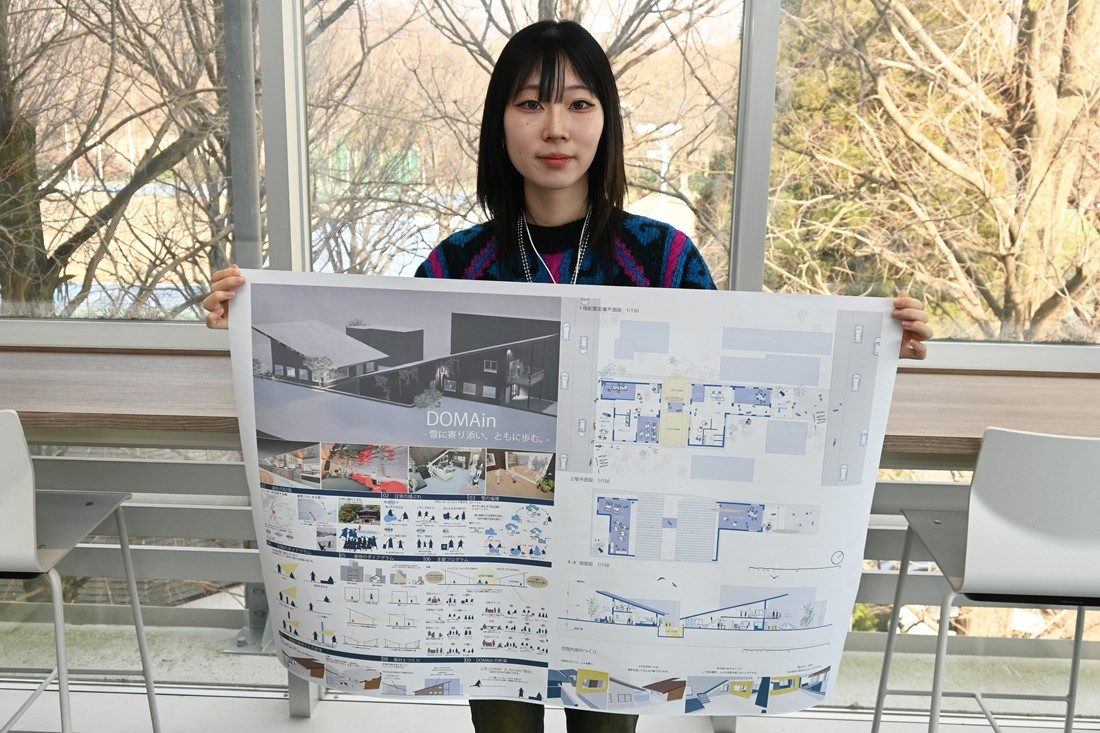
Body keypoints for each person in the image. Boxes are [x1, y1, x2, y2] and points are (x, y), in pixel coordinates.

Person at [203, 19, 931, 733]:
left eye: (579, 104)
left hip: (620, 558)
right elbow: (386, 389)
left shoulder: (663, 258)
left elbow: (738, 383)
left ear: (606, 121)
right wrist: (252, 322)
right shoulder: (457, 265)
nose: (556, 128)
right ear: (500, 124)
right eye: (531, 103)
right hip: (489, 564)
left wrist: (874, 345)